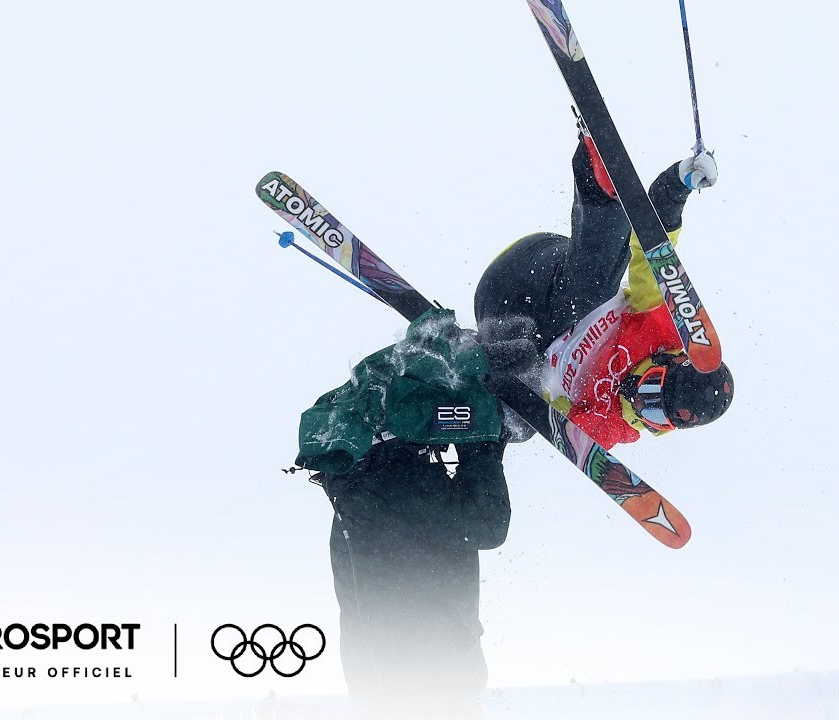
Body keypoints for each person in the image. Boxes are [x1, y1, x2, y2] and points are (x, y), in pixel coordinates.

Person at [295, 310, 513, 719]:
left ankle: (451, 374)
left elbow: (483, 525)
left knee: (485, 522)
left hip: (376, 483)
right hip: (370, 484)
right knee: (483, 522)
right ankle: (453, 377)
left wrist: (486, 435)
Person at [474, 119, 733, 449]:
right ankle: (598, 172)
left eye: (652, 414)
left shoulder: (614, 424)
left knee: (522, 416)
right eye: (651, 390)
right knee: (596, 285)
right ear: (668, 362)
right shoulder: (661, 328)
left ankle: (458, 366)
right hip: (531, 277)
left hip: (504, 321)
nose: (640, 403)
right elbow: (652, 246)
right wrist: (676, 186)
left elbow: (566, 434)